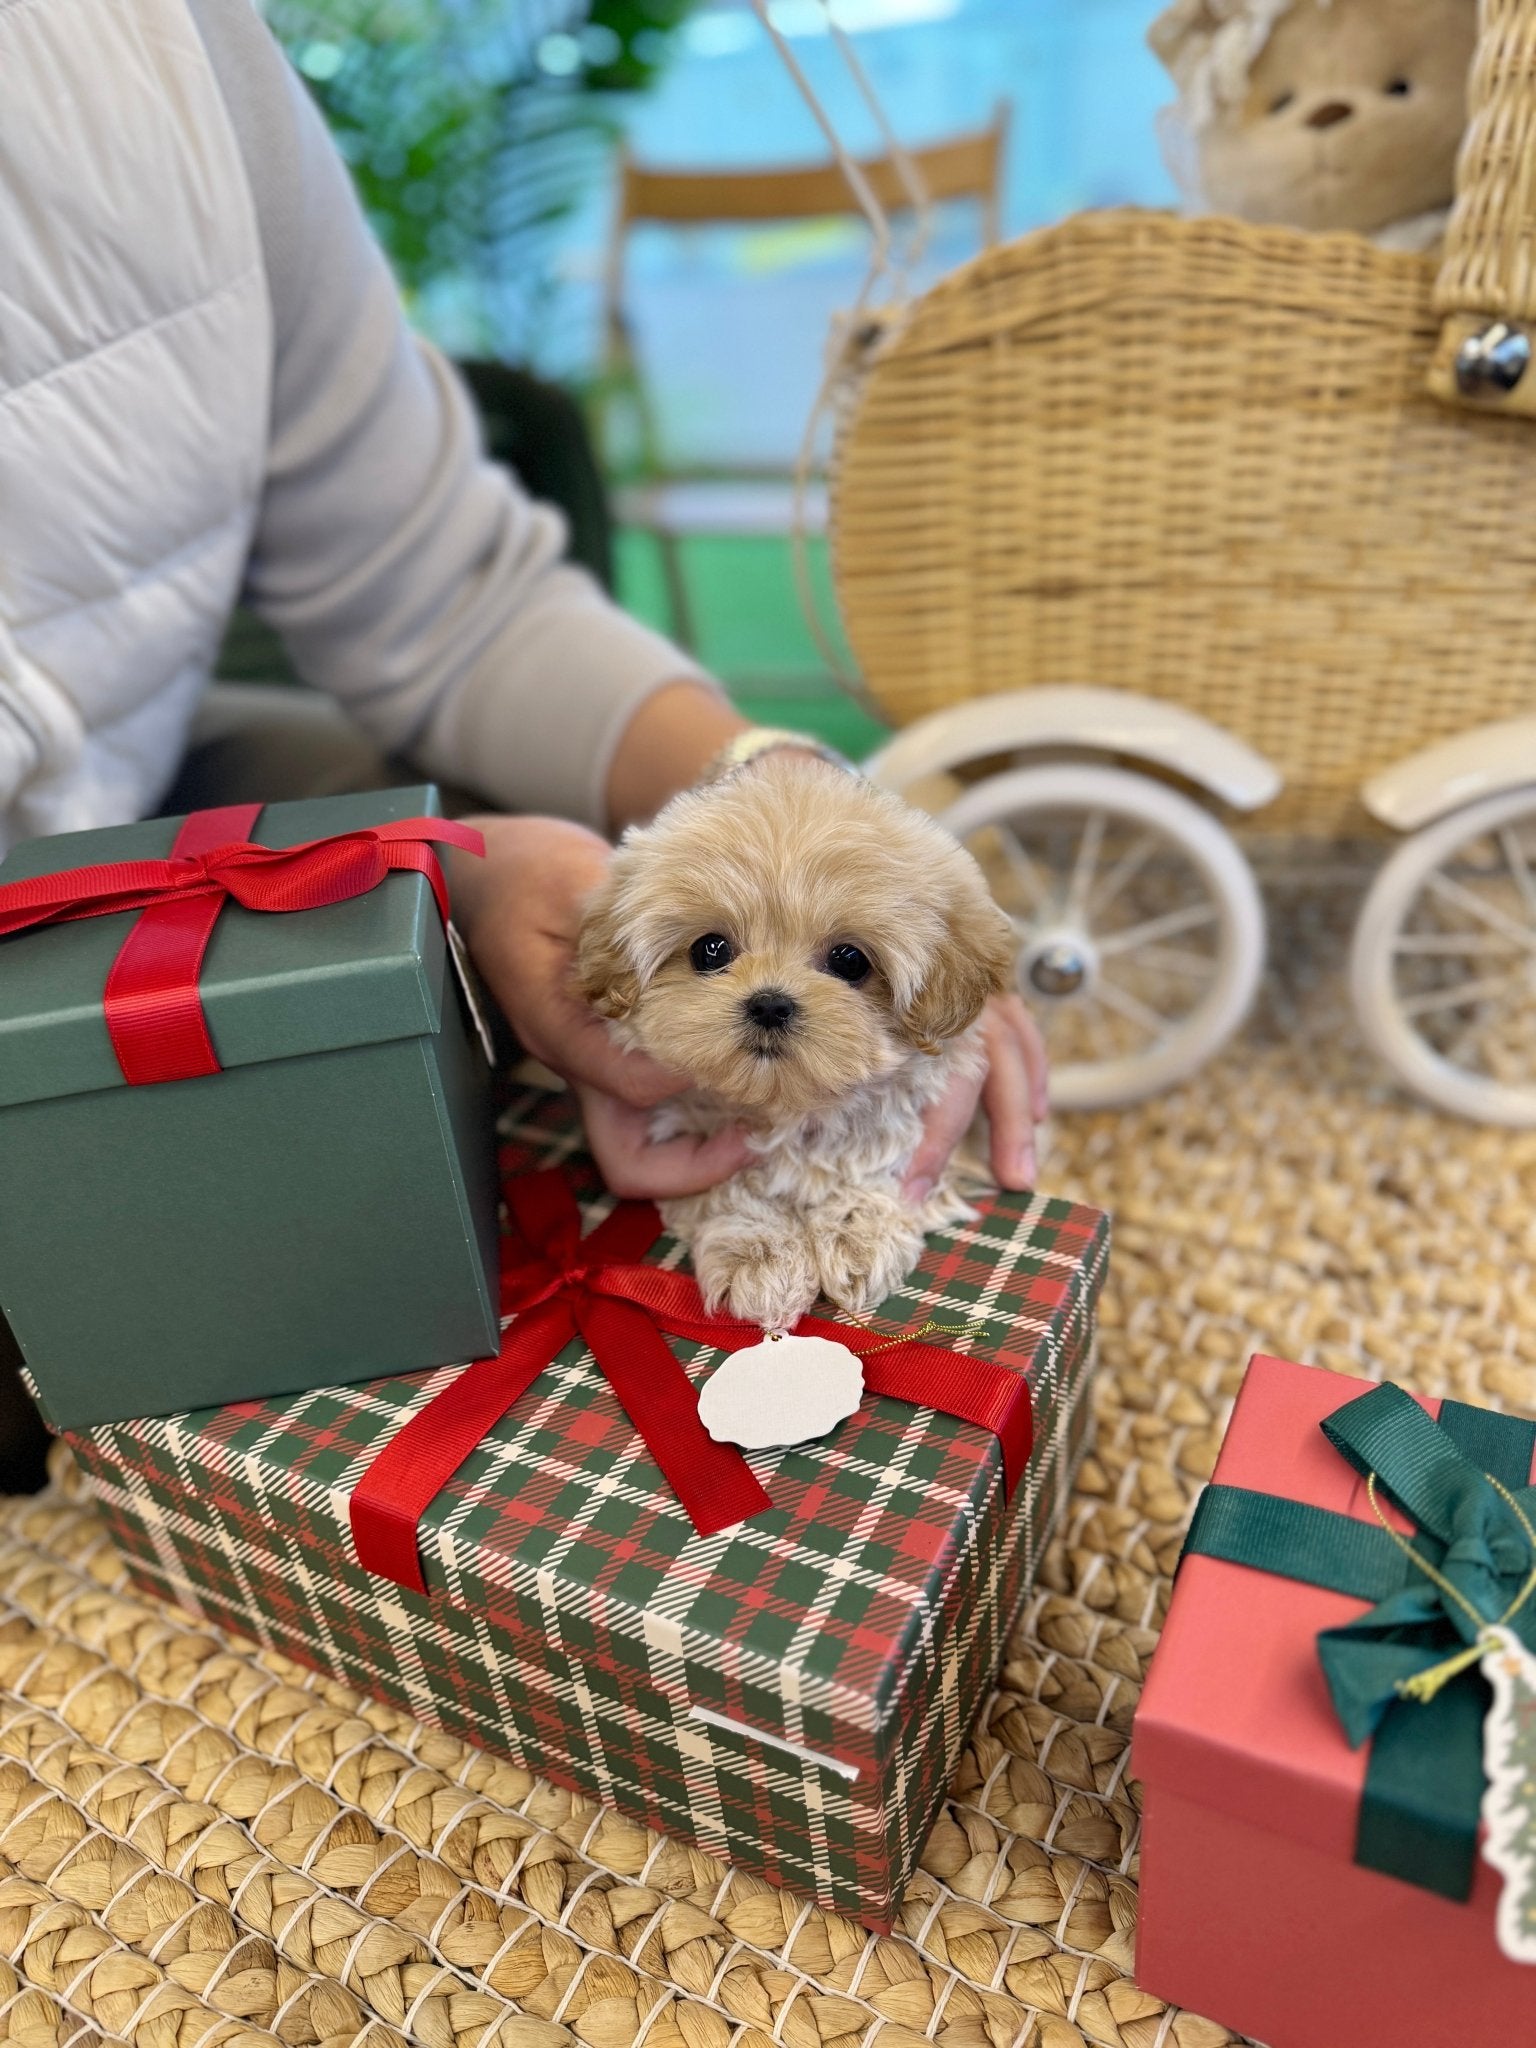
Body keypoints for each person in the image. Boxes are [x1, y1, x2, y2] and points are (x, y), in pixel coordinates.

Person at [0, 0, 1046, 1486]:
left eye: (857, 965)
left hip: (145, 777)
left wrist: (771, 781)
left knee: (483, 817)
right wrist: (435, 872)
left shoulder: (166, 48)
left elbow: (441, 585)